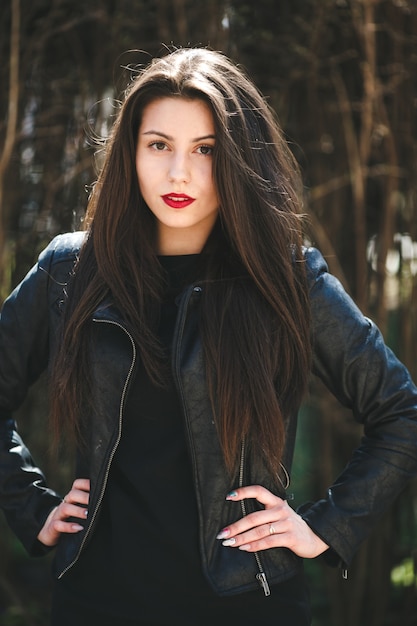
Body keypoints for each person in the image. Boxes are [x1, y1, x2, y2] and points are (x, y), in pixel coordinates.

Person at [0, 47, 416, 626]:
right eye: (158, 145)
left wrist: (326, 528)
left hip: (250, 607)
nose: (179, 173)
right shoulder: (69, 272)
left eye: (206, 150)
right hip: (97, 603)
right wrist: (31, 509)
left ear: (240, 159)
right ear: (130, 153)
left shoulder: (287, 280)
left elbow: (401, 412)